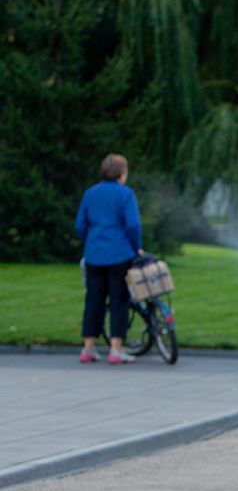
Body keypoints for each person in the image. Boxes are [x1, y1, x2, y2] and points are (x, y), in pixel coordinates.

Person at [75, 153, 144, 364]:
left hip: (94, 254)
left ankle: (88, 348)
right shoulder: (125, 194)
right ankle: (116, 349)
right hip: (119, 254)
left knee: (93, 301)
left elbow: (80, 225)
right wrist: (136, 247)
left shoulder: (90, 194)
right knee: (119, 301)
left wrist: (92, 241)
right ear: (122, 174)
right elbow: (132, 225)